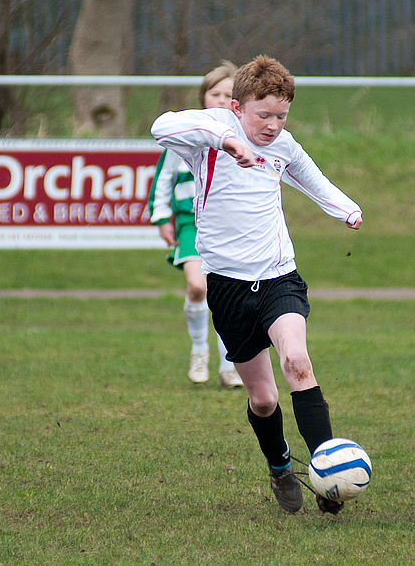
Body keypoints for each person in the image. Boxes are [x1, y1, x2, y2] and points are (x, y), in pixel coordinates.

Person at [151, 55, 363, 515]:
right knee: (264, 400)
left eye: (281, 115)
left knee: (298, 363)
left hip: (278, 277)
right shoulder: (210, 134)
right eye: (262, 115)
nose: (272, 125)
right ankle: (280, 464)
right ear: (236, 106)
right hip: (227, 287)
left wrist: (346, 209)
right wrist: (226, 138)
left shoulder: (283, 145)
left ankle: (327, 477)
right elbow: (161, 125)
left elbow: (313, 179)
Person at [149, 61, 244, 388]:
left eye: (228, 94)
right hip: (192, 224)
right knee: (198, 287)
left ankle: (230, 364)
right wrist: (162, 217)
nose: (220, 99)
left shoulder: (242, 138)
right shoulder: (186, 135)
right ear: (204, 97)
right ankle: (199, 351)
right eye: (214, 93)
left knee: (225, 294)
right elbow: (163, 178)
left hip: (228, 227)